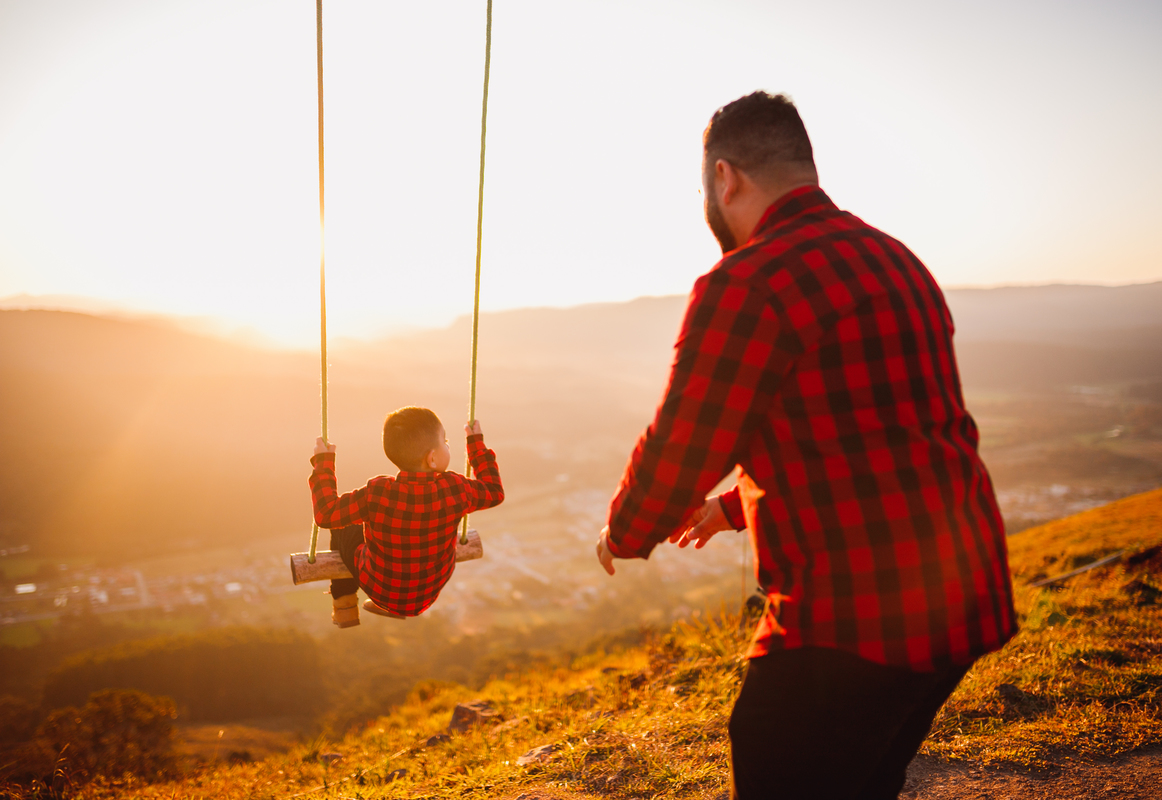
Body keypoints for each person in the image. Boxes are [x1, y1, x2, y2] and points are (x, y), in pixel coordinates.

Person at [596, 92, 1016, 799]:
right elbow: (874, 429)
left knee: (777, 758)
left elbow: (686, 442)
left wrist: (624, 531)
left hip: (855, 615)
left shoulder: (752, 280)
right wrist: (734, 509)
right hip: (964, 594)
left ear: (724, 178)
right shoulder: (894, 259)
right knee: (861, 777)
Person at [310, 406, 503, 628]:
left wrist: (323, 463)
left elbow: (325, 514)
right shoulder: (455, 489)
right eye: (445, 441)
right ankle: (391, 606)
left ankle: (345, 608)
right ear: (432, 458)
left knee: (343, 526)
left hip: (380, 588)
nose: (448, 445)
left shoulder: (377, 492)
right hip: (428, 592)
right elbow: (494, 491)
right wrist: (475, 444)